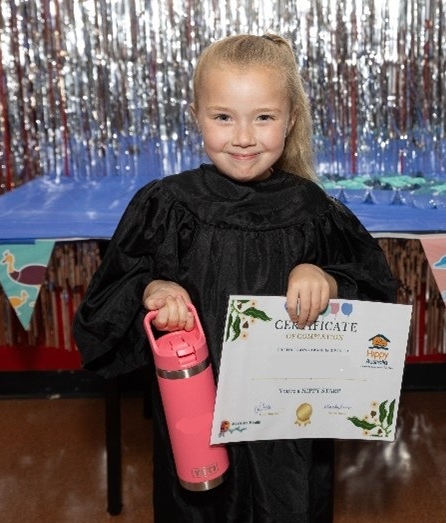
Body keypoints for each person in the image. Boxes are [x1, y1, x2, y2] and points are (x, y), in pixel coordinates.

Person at [73, 33, 398, 522]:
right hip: (194, 421)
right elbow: (102, 314)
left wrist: (326, 279)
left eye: (263, 117)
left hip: (289, 432)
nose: (243, 137)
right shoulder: (165, 207)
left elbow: (375, 301)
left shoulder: (314, 212)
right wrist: (152, 291)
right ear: (197, 115)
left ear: (290, 121)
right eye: (223, 117)